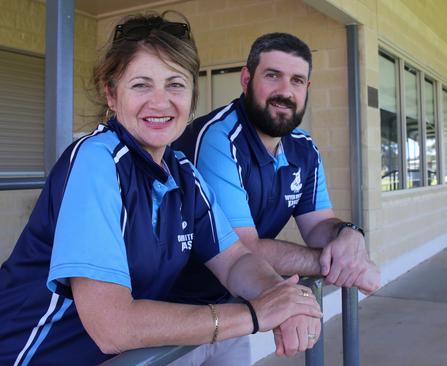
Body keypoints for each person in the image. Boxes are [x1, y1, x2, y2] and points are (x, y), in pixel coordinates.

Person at [0, 13, 321, 366]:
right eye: (141, 85)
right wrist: (256, 315)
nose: (160, 102)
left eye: (175, 84)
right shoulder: (97, 161)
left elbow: (235, 260)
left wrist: (281, 295)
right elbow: (113, 326)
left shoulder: (183, 174)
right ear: (111, 93)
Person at [172, 32, 381, 358]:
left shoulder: (304, 148)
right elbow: (244, 248)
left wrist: (348, 236)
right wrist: (337, 263)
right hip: (175, 312)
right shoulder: (220, 138)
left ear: (307, 90)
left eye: (297, 80)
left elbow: (319, 224)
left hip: (237, 303)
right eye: (273, 76)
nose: (285, 91)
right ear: (246, 79)